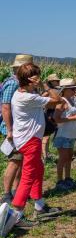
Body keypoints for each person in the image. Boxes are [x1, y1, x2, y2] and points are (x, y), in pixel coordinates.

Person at [9, 63, 63, 229]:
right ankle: (17, 214)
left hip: (28, 139)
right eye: (37, 77)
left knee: (38, 169)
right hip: (30, 140)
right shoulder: (29, 97)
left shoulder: (22, 93)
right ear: (30, 80)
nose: (39, 79)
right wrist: (45, 85)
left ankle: (39, 206)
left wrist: (37, 87)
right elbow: (57, 99)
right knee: (28, 176)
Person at [0, 54, 33, 205]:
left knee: (21, 161)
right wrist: (9, 130)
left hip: (22, 129)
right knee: (14, 161)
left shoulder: (22, 83)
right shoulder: (13, 83)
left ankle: (16, 190)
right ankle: (6, 194)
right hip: (14, 130)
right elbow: (5, 107)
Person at [53, 78, 76, 190]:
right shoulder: (62, 102)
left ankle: (68, 178)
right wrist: (73, 118)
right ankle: (59, 181)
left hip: (70, 134)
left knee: (69, 157)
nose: (74, 91)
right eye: (71, 89)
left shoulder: (71, 100)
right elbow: (56, 119)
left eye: (74, 88)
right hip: (63, 135)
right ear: (64, 90)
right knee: (63, 158)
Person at [41, 73, 60, 163]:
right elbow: (40, 100)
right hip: (48, 113)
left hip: (54, 112)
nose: (57, 82)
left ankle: (47, 153)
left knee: (49, 134)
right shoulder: (47, 92)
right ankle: (44, 155)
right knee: (46, 136)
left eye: (58, 80)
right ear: (50, 82)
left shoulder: (57, 90)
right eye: (55, 81)